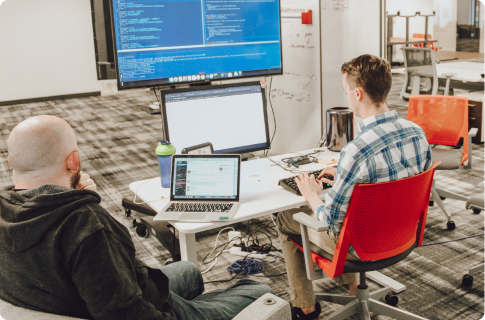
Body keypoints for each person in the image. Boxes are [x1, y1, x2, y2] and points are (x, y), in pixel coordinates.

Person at [0, 115, 273, 320]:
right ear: (73, 161)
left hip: (66, 295)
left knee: (188, 272)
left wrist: (81, 199)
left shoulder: (13, 208)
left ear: (11, 161)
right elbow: (124, 314)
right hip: (140, 309)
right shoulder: (86, 225)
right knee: (260, 294)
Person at [276, 54, 432, 320]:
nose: (346, 96)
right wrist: (346, 175)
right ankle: (352, 286)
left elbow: (331, 221)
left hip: (359, 247)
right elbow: (410, 189)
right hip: (401, 236)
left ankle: (305, 306)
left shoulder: (356, 151)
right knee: (344, 211)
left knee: (285, 216)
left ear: (358, 93)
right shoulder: (417, 132)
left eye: (346, 91)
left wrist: (312, 196)